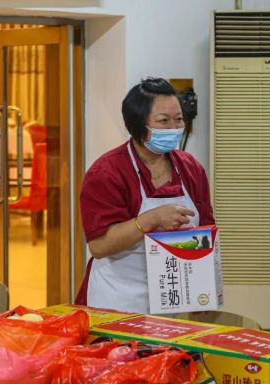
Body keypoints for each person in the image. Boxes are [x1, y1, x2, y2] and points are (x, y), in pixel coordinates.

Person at [76, 77, 214, 313]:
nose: (174, 128)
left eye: (179, 119)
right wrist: (152, 219)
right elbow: (99, 245)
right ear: (138, 125)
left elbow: (206, 231)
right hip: (118, 301)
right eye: (163, 121)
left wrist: (204, 288)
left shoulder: (191, 168)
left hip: (176, 300)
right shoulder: (107, 172)